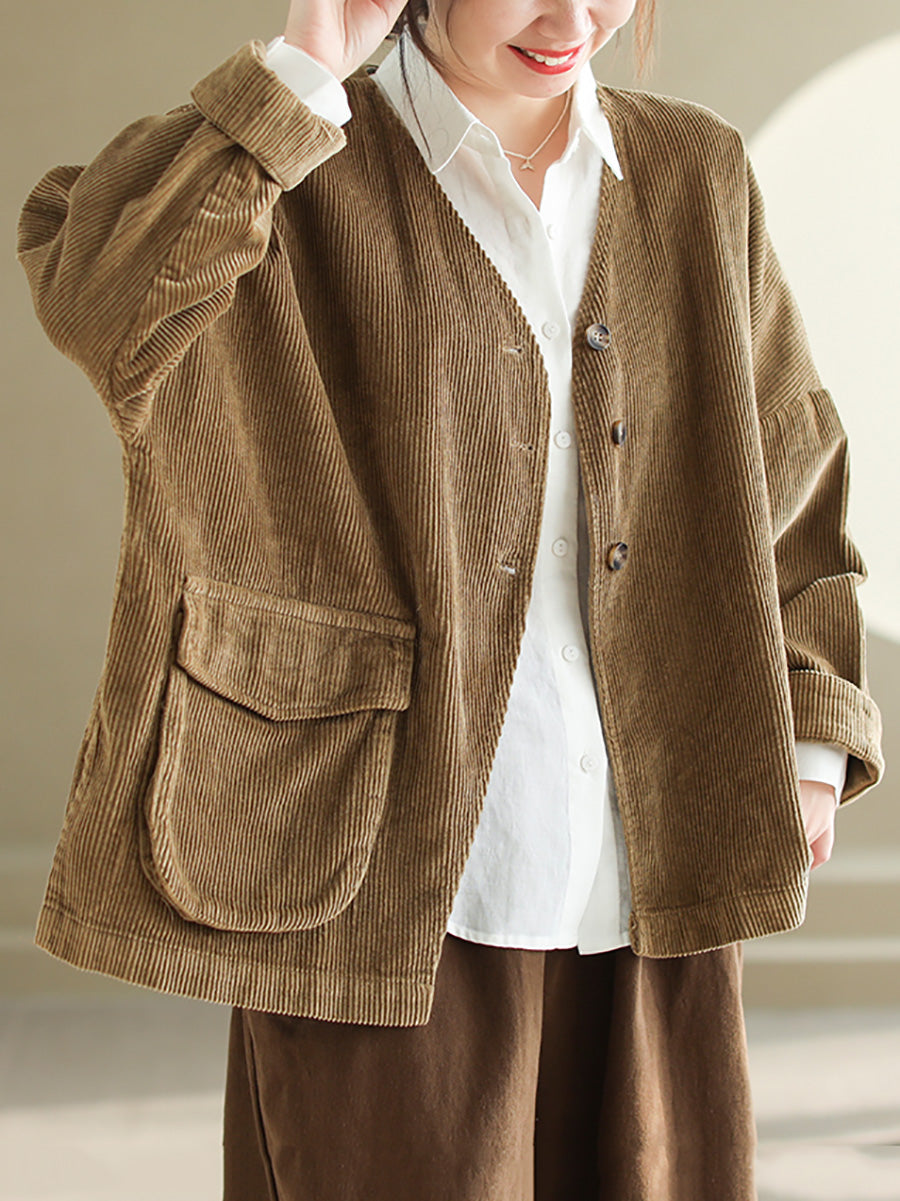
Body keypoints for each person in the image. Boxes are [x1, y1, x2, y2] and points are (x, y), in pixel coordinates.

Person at [16, 1, 884, 1198]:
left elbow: (787, 467)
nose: (572, 18)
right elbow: (103, 302)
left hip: (651, 857)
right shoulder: (289, 160)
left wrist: (811, 735)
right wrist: (307, 64)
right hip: (377, 859)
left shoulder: (695, 172)